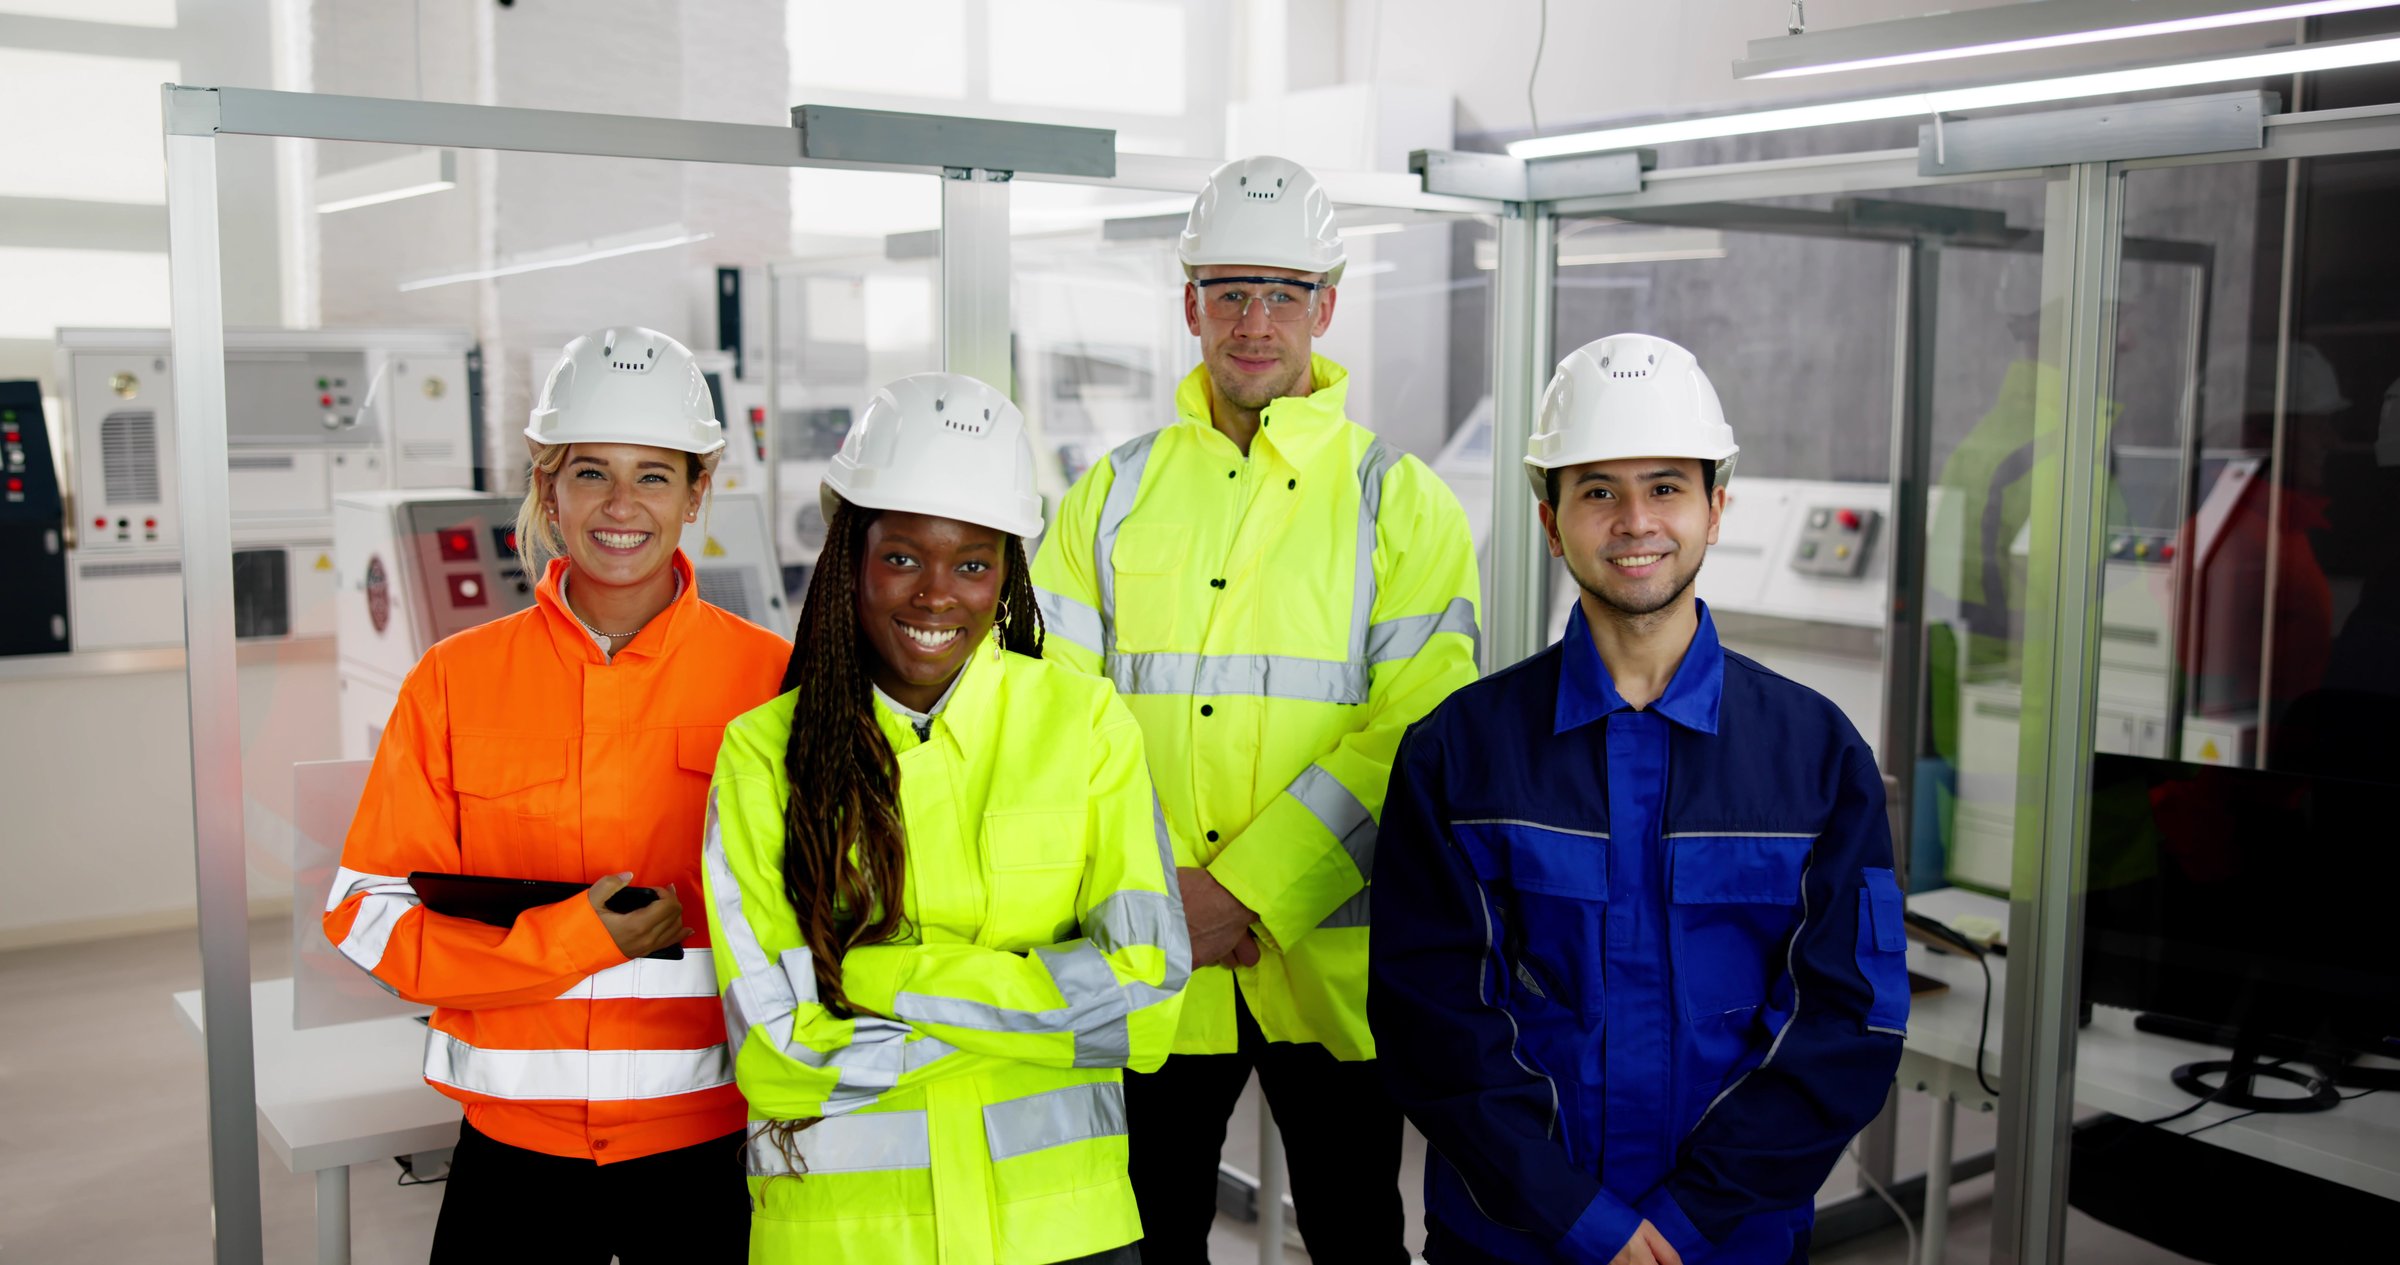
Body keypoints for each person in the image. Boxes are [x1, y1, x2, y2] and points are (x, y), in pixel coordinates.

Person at [1370, 334, 1910, 1264]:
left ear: (1715, 508)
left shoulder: (1817, 756)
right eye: (1598, 492)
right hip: (1512, 1239)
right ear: (1552, 523)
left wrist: (1689, 1219)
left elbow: (1848, 1018)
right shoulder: (1457, 754)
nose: (1635, 521)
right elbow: (1434, 1021)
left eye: (1665, 487)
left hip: (1727, 1241)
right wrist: (1584, 1220)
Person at [1032, 153, 1482, 1261]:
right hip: (1149, 964)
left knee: (1357, 1238)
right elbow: (1052, 717)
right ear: (1190, 303)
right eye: (1230, 290)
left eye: (1284, 292)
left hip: (1328, 970)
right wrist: (1161, 900)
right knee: (1143, 1240)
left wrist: (1240, 894)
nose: (1254, 320)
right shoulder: (1109, 494)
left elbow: (1414, 738)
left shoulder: (1401, 502)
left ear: (1326, 306)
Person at [700, 372, 1189, 1265]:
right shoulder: (764, 752)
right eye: (901, 558)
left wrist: (876, 975)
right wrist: (1040, 1014)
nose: (937, 594)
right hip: (845, 1242)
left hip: (1064, 1232)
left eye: (972, 563)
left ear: (1006, 574)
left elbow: (1146, 1006)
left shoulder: (1084, 723)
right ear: (849, 556)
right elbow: (777, 1053)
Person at [323, 326, 790, 1262]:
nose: (622, 505)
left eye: (653, 475)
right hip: (511, 1159)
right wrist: (574, 940)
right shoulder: (453, 680)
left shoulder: (773, 679)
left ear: (697, 492)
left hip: (710, 1150)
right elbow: (368, 913)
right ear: (548, 489)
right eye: (589, 473)